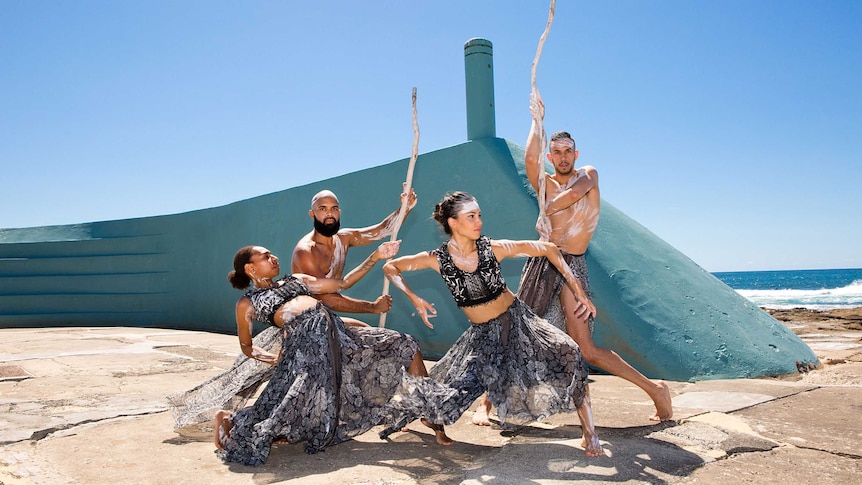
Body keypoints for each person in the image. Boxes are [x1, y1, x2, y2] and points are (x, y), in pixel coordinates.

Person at [471, 94, 673, 427]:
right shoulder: (544, 181)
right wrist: (537, 122)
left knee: (587, 349)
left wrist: (545, 209)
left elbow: (574, 195)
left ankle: (656, 389)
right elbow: (531, 160)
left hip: (572, 268)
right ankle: (487, 405)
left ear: (575, 154)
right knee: (512, 333)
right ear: (551, 156)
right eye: (557, 152)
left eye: (568, 152)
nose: (562, 157)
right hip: (541, 265)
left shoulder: (588, 174)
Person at [379, 192, 604, 457]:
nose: (478, 222)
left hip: (519, 322)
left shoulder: (493, 248)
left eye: (479, 215)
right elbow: (391, 268)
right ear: (453, 222)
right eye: (471, 216)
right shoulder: (437, 259)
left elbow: (549, 249)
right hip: (484, 338)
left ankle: (589, 433)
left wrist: (578, 290)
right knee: (449, 400)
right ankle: (427, 414)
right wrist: (415, 299)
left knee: (570, 353)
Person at [191, 243, 449, 467]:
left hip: (338, 336)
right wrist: (272, 359)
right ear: (251, 268)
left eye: (272, 254)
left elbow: (343, 283)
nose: (274, 258)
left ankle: (431, 416)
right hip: (305, 353)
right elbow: (246, 346)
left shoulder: (297, 280)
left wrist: (375, 256)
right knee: (284, 413)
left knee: (406, 344)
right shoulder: (247, 304)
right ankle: (227, 418)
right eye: (266, 256)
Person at [291, 187, 417, 326]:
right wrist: (373, 307)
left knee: (373, 336)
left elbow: (383, 230)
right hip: (307, 321)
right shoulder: (305, 251)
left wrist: (405, 207)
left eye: (334, 209)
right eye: (322, 209)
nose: (329, 214)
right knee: (371, 335)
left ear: (339, 212)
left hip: (327, 317)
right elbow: (327, 299)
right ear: (312, 214)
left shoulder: (344, 238)